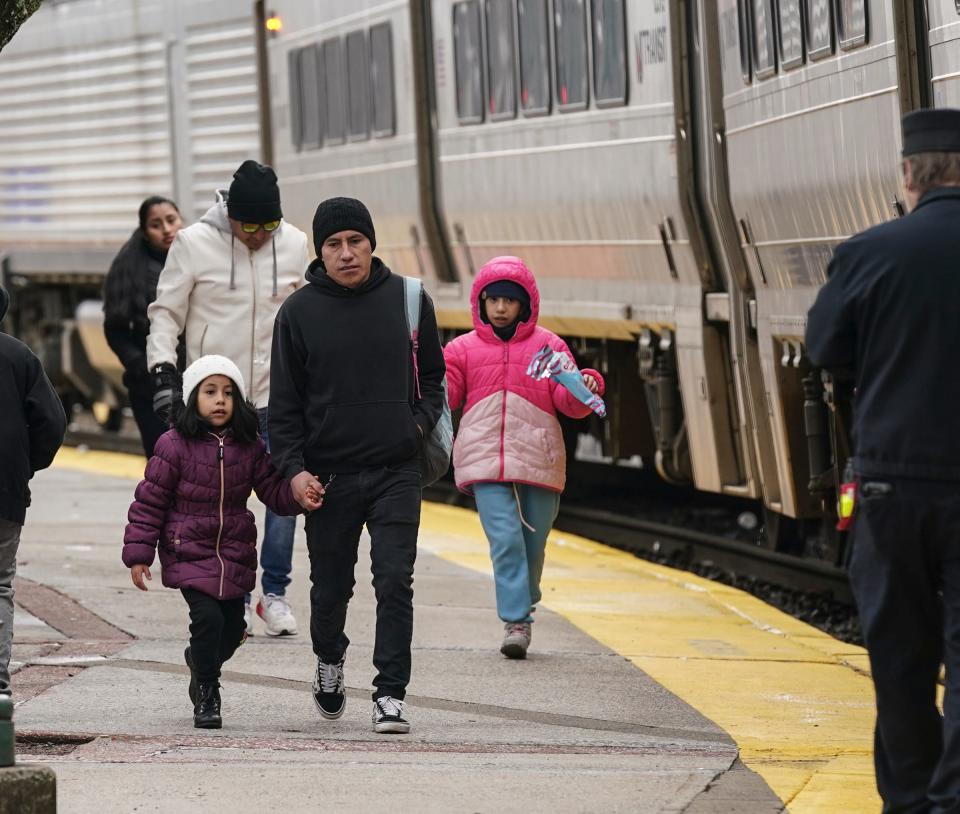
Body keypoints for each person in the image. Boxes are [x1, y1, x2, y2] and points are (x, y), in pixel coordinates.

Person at [806, 107, 960, 813]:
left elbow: (826, 351)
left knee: (899, 659)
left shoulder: (868, 253)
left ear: (909, 175)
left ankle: (907, 800)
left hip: (891, 486)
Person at [269, 197, 446, 734]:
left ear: (371, 243)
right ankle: (329, 660)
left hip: (397, 470)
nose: (346, 253)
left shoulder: (409, 299)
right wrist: (294, 470)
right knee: (330, 589)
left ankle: (390, 693)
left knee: (395, 581)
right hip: (330, 478)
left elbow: (434, 381)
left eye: (355, 241)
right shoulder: (297, 314)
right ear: (319, 252)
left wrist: (413, 427)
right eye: (333, 244)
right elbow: (285, 408)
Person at [147, 160, 310, 638]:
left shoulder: (296, 244)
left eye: (270, 225)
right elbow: (165, 315)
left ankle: (273, 594)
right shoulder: (194, 243)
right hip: (220, 398)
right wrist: (163, 374)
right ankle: (231, 597)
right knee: (224, 506)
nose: (259, 236)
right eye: (249, 226)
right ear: (229, 215)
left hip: (281, 396)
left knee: (285, 498)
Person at [121, 355, 321, 729]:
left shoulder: (249, 445)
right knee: (207, 618)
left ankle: (200, 661)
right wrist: (139, 552)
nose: (219, 400)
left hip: (234, 551)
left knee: (233, 629)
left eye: (228, 393)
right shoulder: (173, 445)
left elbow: (271, 491)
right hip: (188, 549)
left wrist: (298, 498)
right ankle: (208, 692)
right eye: (210, 392)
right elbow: (150, 501)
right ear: (192, 397)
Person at [442, 257, 604, 658]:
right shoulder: (461, 350)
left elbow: (570, 404)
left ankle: (525, 593)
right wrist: (428, 372)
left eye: (508, 301)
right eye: (492, 299)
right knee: (505, 538)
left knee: (535, 539)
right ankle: (517, 621)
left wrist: (587, 384)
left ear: (525, 304)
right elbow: (447, 397)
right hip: (483, 457)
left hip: (538, 456)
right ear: (480, 302)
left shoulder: (550, 347)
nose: (500, 308)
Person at [0, 285, 67, 696]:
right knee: (1, 585)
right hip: (5, 492)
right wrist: (26, 465)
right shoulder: (19, 356)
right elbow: (52, 422)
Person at [103, 196, 184, 457]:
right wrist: (140, 364)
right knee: (162, 459)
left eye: (171, 220)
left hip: (197, 379)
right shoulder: (129, 269)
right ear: (144, 231)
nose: (167, 229)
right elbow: (114, 328)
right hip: (149, 386)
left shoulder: (199, 259)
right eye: (156, 224)